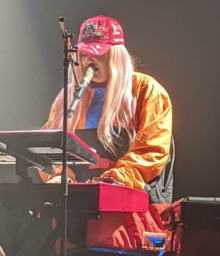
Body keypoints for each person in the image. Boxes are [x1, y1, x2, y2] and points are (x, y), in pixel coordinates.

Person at [39, 14, 173, 204]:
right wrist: (60, 177)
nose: (88, 61)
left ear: (116, 55)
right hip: (74, 208)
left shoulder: (146, 91)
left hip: (128, 210)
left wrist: (115, 180)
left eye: (98, 54)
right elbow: (50, 148)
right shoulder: (67, 98)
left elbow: (151, 151)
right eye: (84, 54)